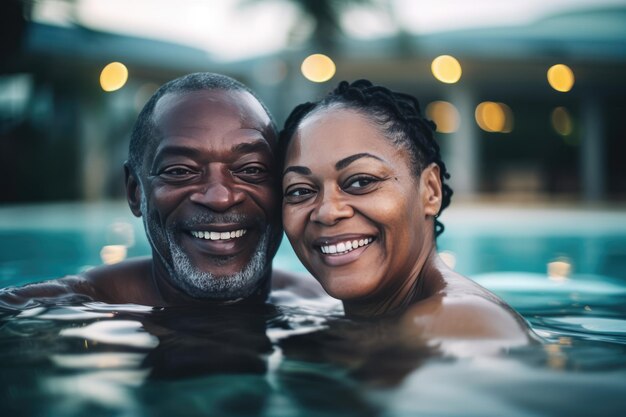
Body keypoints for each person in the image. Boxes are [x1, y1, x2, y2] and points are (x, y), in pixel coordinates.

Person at [0, 72, 319, 309]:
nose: (221, 197)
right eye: (180, 171)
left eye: (251, 170)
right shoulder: (43, 312)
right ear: (134, 191)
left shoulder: (324, 302)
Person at [279, 80, 533, 346]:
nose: (327, 212)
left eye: (361, 182)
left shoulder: (454, 322)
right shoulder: (396, 320)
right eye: (299, 191)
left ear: (430, 191)